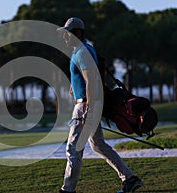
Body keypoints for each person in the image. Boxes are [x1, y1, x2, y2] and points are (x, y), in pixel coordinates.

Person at [57, 17, 143, 193]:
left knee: (73, 148)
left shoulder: (82, 52)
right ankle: (130, 179)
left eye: (68, 33)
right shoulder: (81, 51)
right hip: (87, 103)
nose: (65, 37)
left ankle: (68, 190)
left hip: (85, 105)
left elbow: (92, 81)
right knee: (98, 144)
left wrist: (88, 108)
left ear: (78, 33)